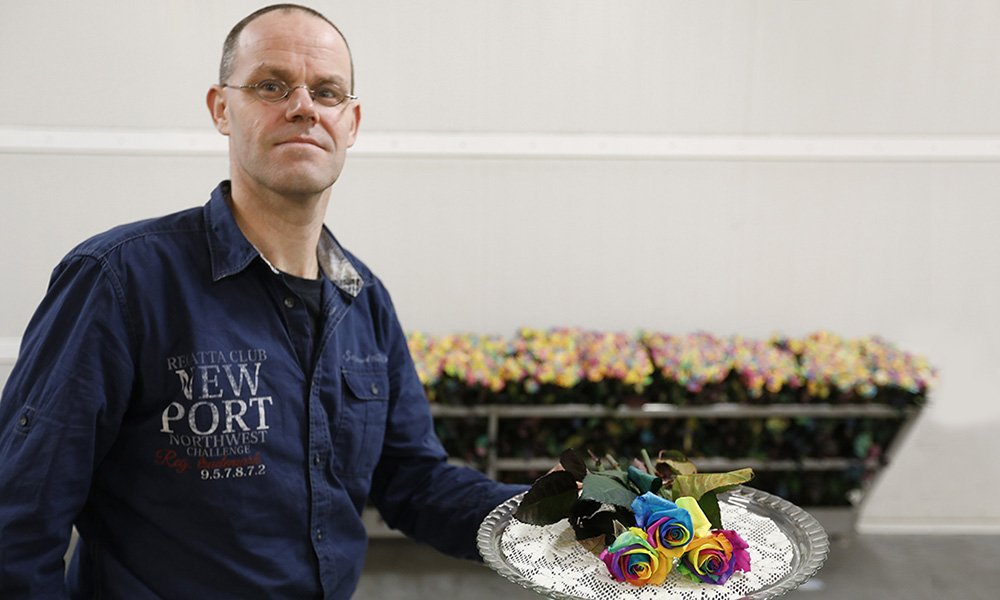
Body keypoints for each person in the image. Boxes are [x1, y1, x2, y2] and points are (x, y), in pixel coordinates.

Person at [0, 4, 525, 599]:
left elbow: (413, 480)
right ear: (222, 109)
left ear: (351, 123)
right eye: (271, 85)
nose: (303, 107)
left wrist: (550, 516)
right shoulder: (121, 281)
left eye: (327, 93)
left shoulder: (363, 299)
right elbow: (19, 521)